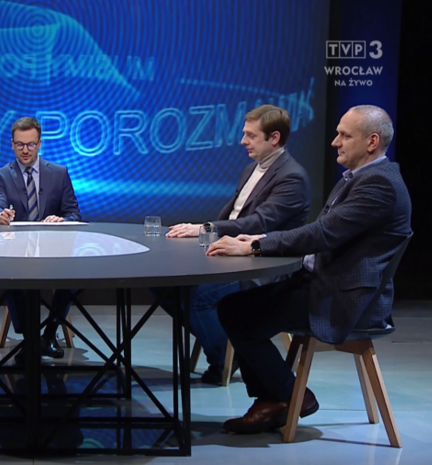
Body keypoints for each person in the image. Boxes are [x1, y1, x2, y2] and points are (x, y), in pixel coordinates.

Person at [207, 105, 411, 434]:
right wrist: (261, 238)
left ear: (371, 142)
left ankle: (287, 396)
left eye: (344, 135)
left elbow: (323, 233)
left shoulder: (379, 184)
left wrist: (255, 246)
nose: (334, 142)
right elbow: (323, 230)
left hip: (343, 297)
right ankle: (275, 398)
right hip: (321, 281)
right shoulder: (361, 178)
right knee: (235, 307)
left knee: (237, 313)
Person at [155, 105, 312, 385]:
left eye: (251, 135)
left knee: (200, 296)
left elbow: (259, 223)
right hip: (232, 254)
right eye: (244, 134)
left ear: (274, 138)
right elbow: (234, 217)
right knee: (162, 284)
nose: (242, 141)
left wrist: (206, 228)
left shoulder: (292, 177)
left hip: (262, 264)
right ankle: (223, 345)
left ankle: (225, 356)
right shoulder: (251, 169)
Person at [0, 116, 81, 360]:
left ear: (39, 144)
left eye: (31, 144)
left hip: (54, 253)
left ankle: (48, 334)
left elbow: (74, 213)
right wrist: (0, 215)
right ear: (12, 144)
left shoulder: (59, 173)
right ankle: (32, 338)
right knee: (10, 273)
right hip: (17, 254)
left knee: (74, 276)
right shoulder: (2, 175)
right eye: (20, 144)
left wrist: (62, 220)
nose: (25, 150)